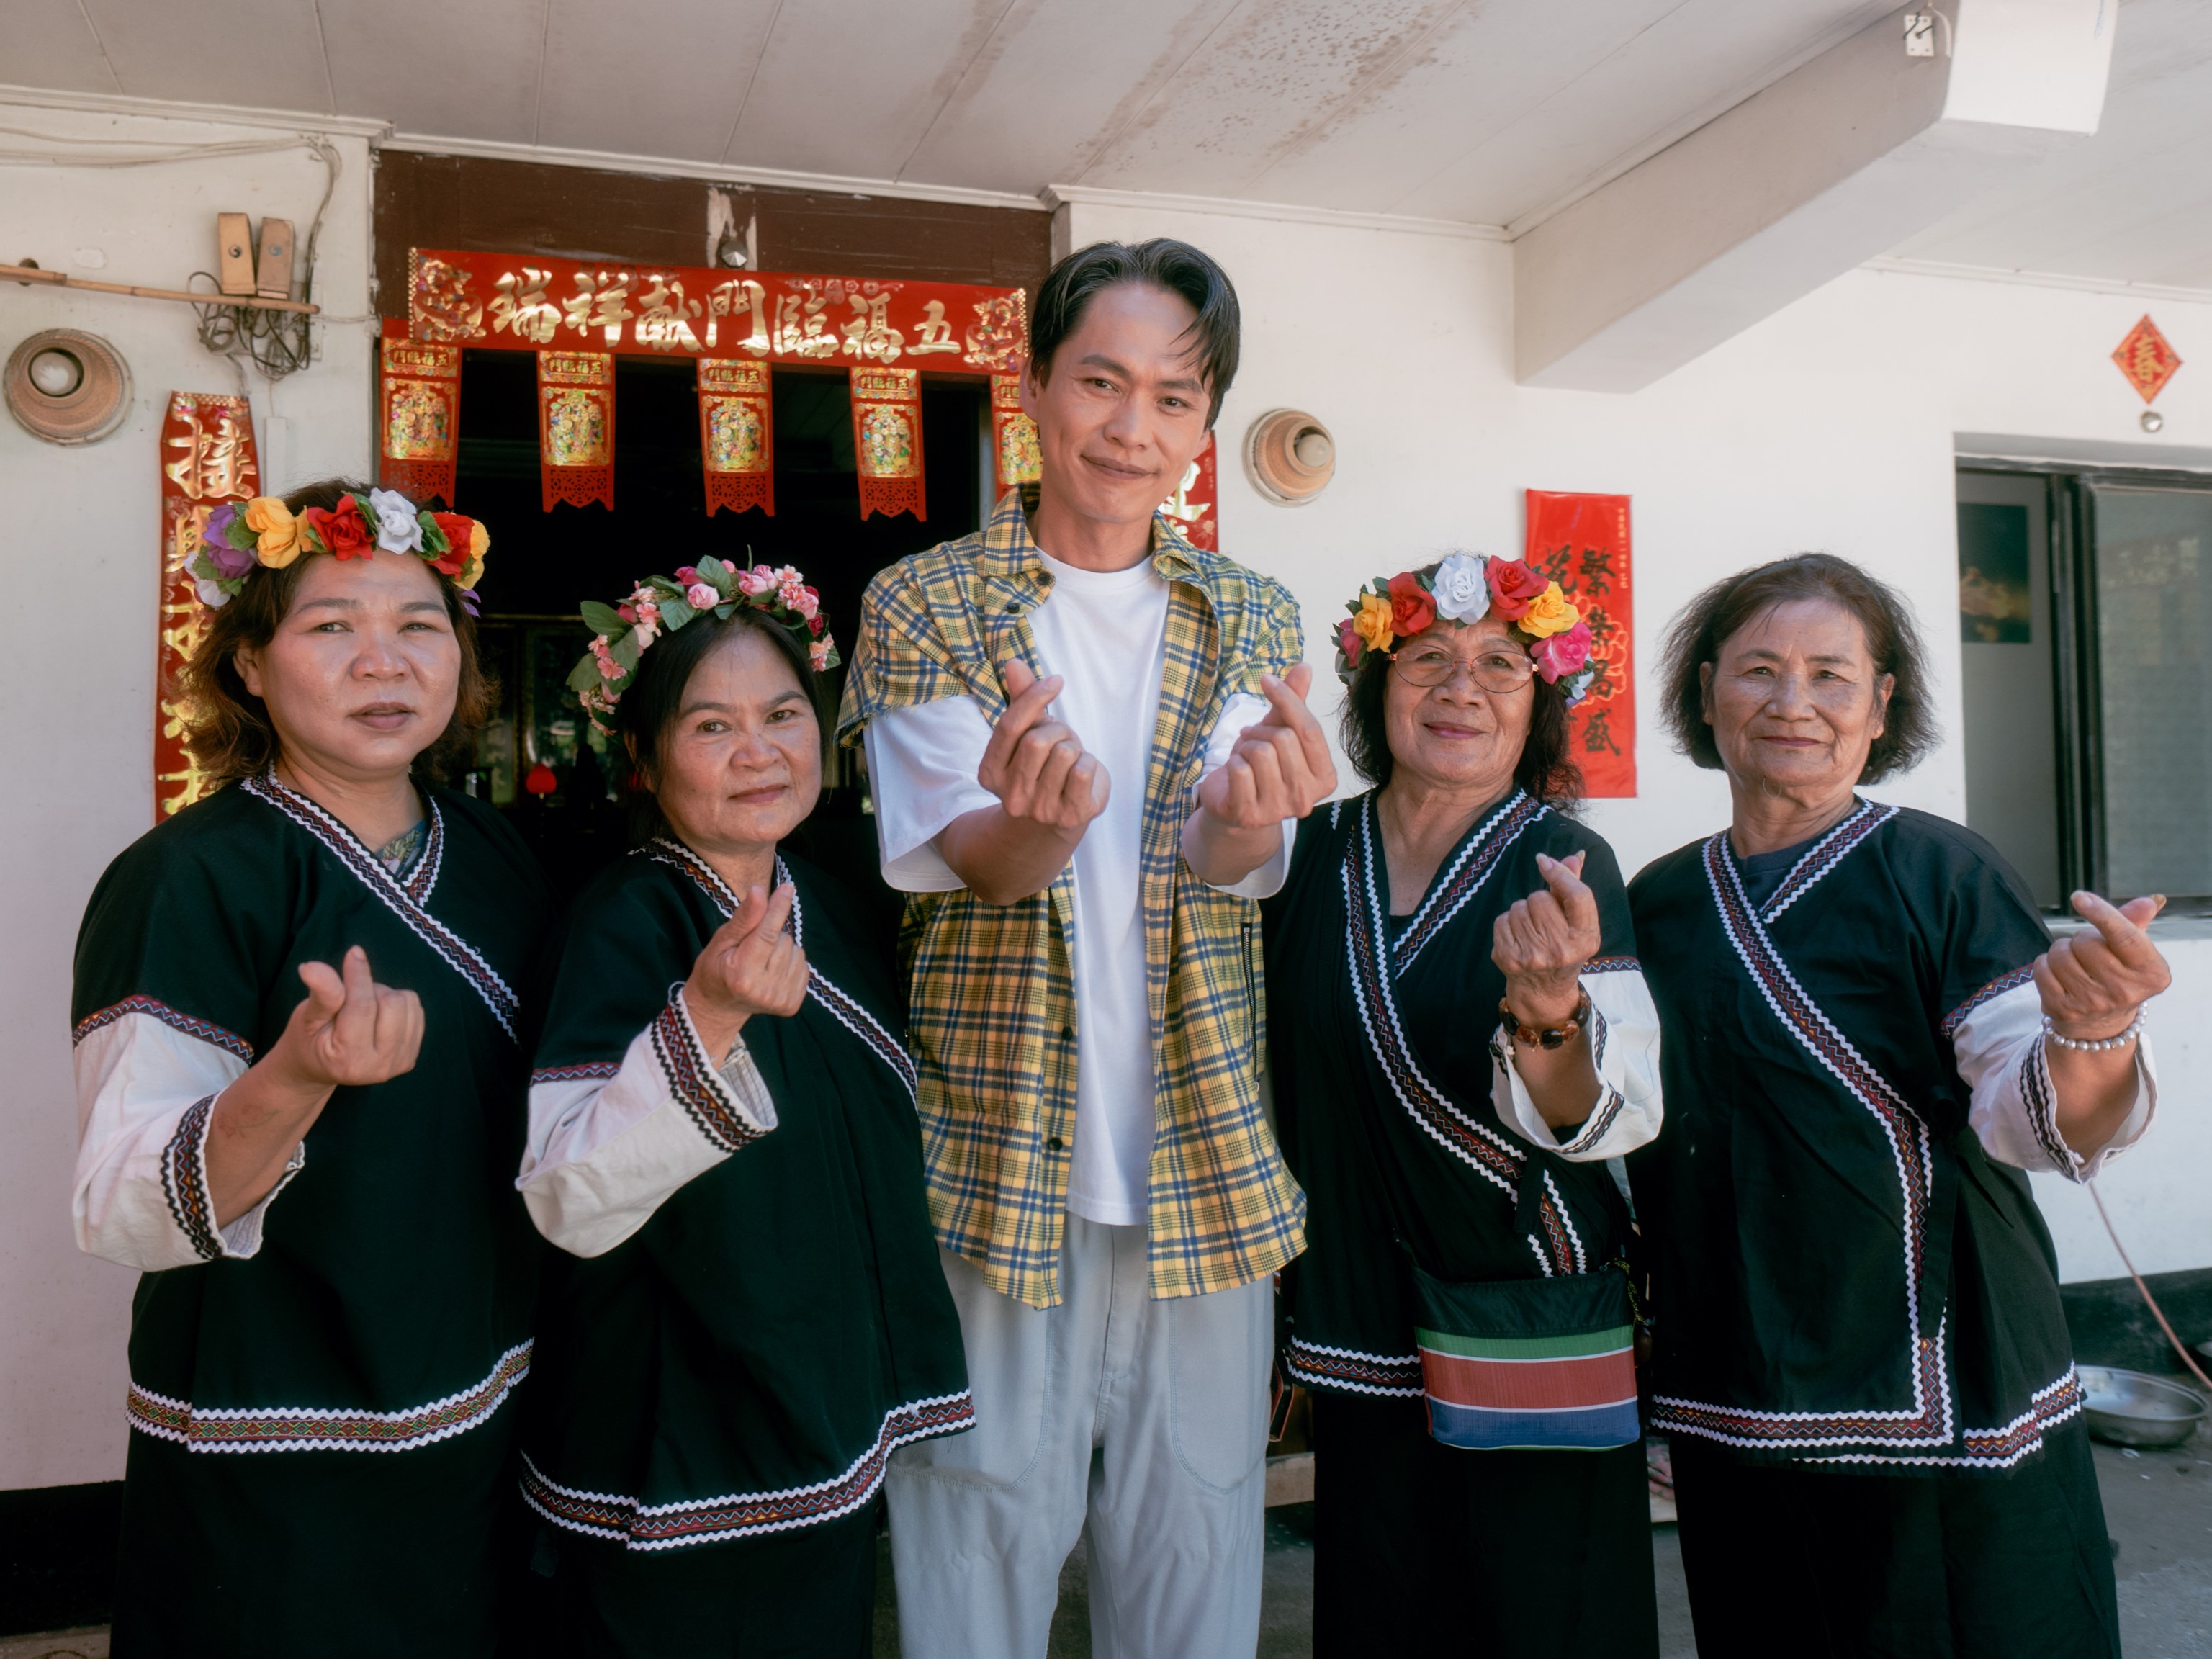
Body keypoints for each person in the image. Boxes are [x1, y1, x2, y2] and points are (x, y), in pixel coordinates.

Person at [838, 238, 1336, 1658]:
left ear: (1206, 422)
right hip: (1003, 1155)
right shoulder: (930, 601)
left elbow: (1232, 861)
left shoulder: (1251, 612)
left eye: (1175, 398)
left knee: (1196, 1539)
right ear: (1036, 390)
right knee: (978, 1531)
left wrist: (1248, 820)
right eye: (1102, 382)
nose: (1134, 428)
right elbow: (973, 863)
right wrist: (1043, 826)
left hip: (1204, 1156)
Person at [1629, 554, 2167, 1658]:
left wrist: (2095, 1035)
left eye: (1833, 675)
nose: (1793, 704)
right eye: (1760, 670)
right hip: (1733, 1370)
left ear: (1883, 707)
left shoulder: (1943, 875)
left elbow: (2034, 1119)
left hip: (1941, 1372)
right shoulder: (1662, 900)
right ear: (1704, 695)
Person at [71, 482, 541, 1657]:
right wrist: (295, 1074)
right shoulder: (188, 880)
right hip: (267, 1429)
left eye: (418, 625)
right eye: (332, 627)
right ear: (248, 669)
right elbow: (124, 1205)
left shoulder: (495, 853)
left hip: (480, 1400)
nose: (383, 661)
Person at [516, 560, 971, 1657]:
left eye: (780, 715)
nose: (759, 750)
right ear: (640, 756)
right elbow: (567, 1191)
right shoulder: (625, 919)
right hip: (681, 1429)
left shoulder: (838, 904)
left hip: (815, 1398)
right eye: (711, 726)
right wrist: (708, 1016)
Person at [1266, 556, 1663, 1656]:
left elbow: (1608, 1115)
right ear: (1375, 686)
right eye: (1427, 658)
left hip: (1523, 1299)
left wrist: (1546, 1017)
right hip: (1353, 1299)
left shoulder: (1568, 861)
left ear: (1539, 704)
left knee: (1544, 1609)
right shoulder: (1304, 853)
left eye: (1499, 662)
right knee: (1381, 1597)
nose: (1460, 687)